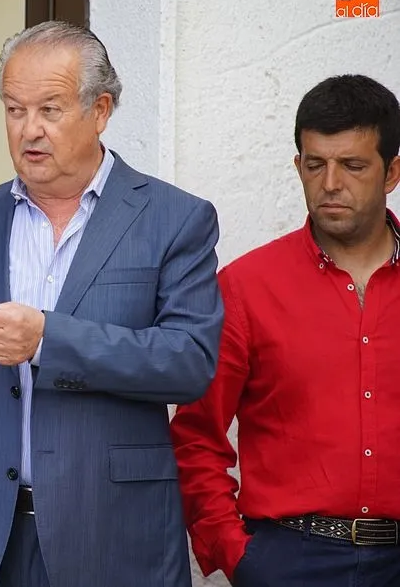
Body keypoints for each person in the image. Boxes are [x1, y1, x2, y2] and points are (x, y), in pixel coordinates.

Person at [0, 20, 223, 587]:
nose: (30, 130)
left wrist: (48, 340)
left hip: (113, 538)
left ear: (100, 110)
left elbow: (189, 362)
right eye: (14, 110)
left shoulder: (174, 219)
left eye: (49, 109)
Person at [171, 74, 400, 587]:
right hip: (290, 559)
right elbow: (196, 434)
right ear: (298, 167)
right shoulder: (246, 288)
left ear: (392, 172)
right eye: (315, 165)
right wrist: (237, 555)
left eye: (353, 165)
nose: (331, 183)